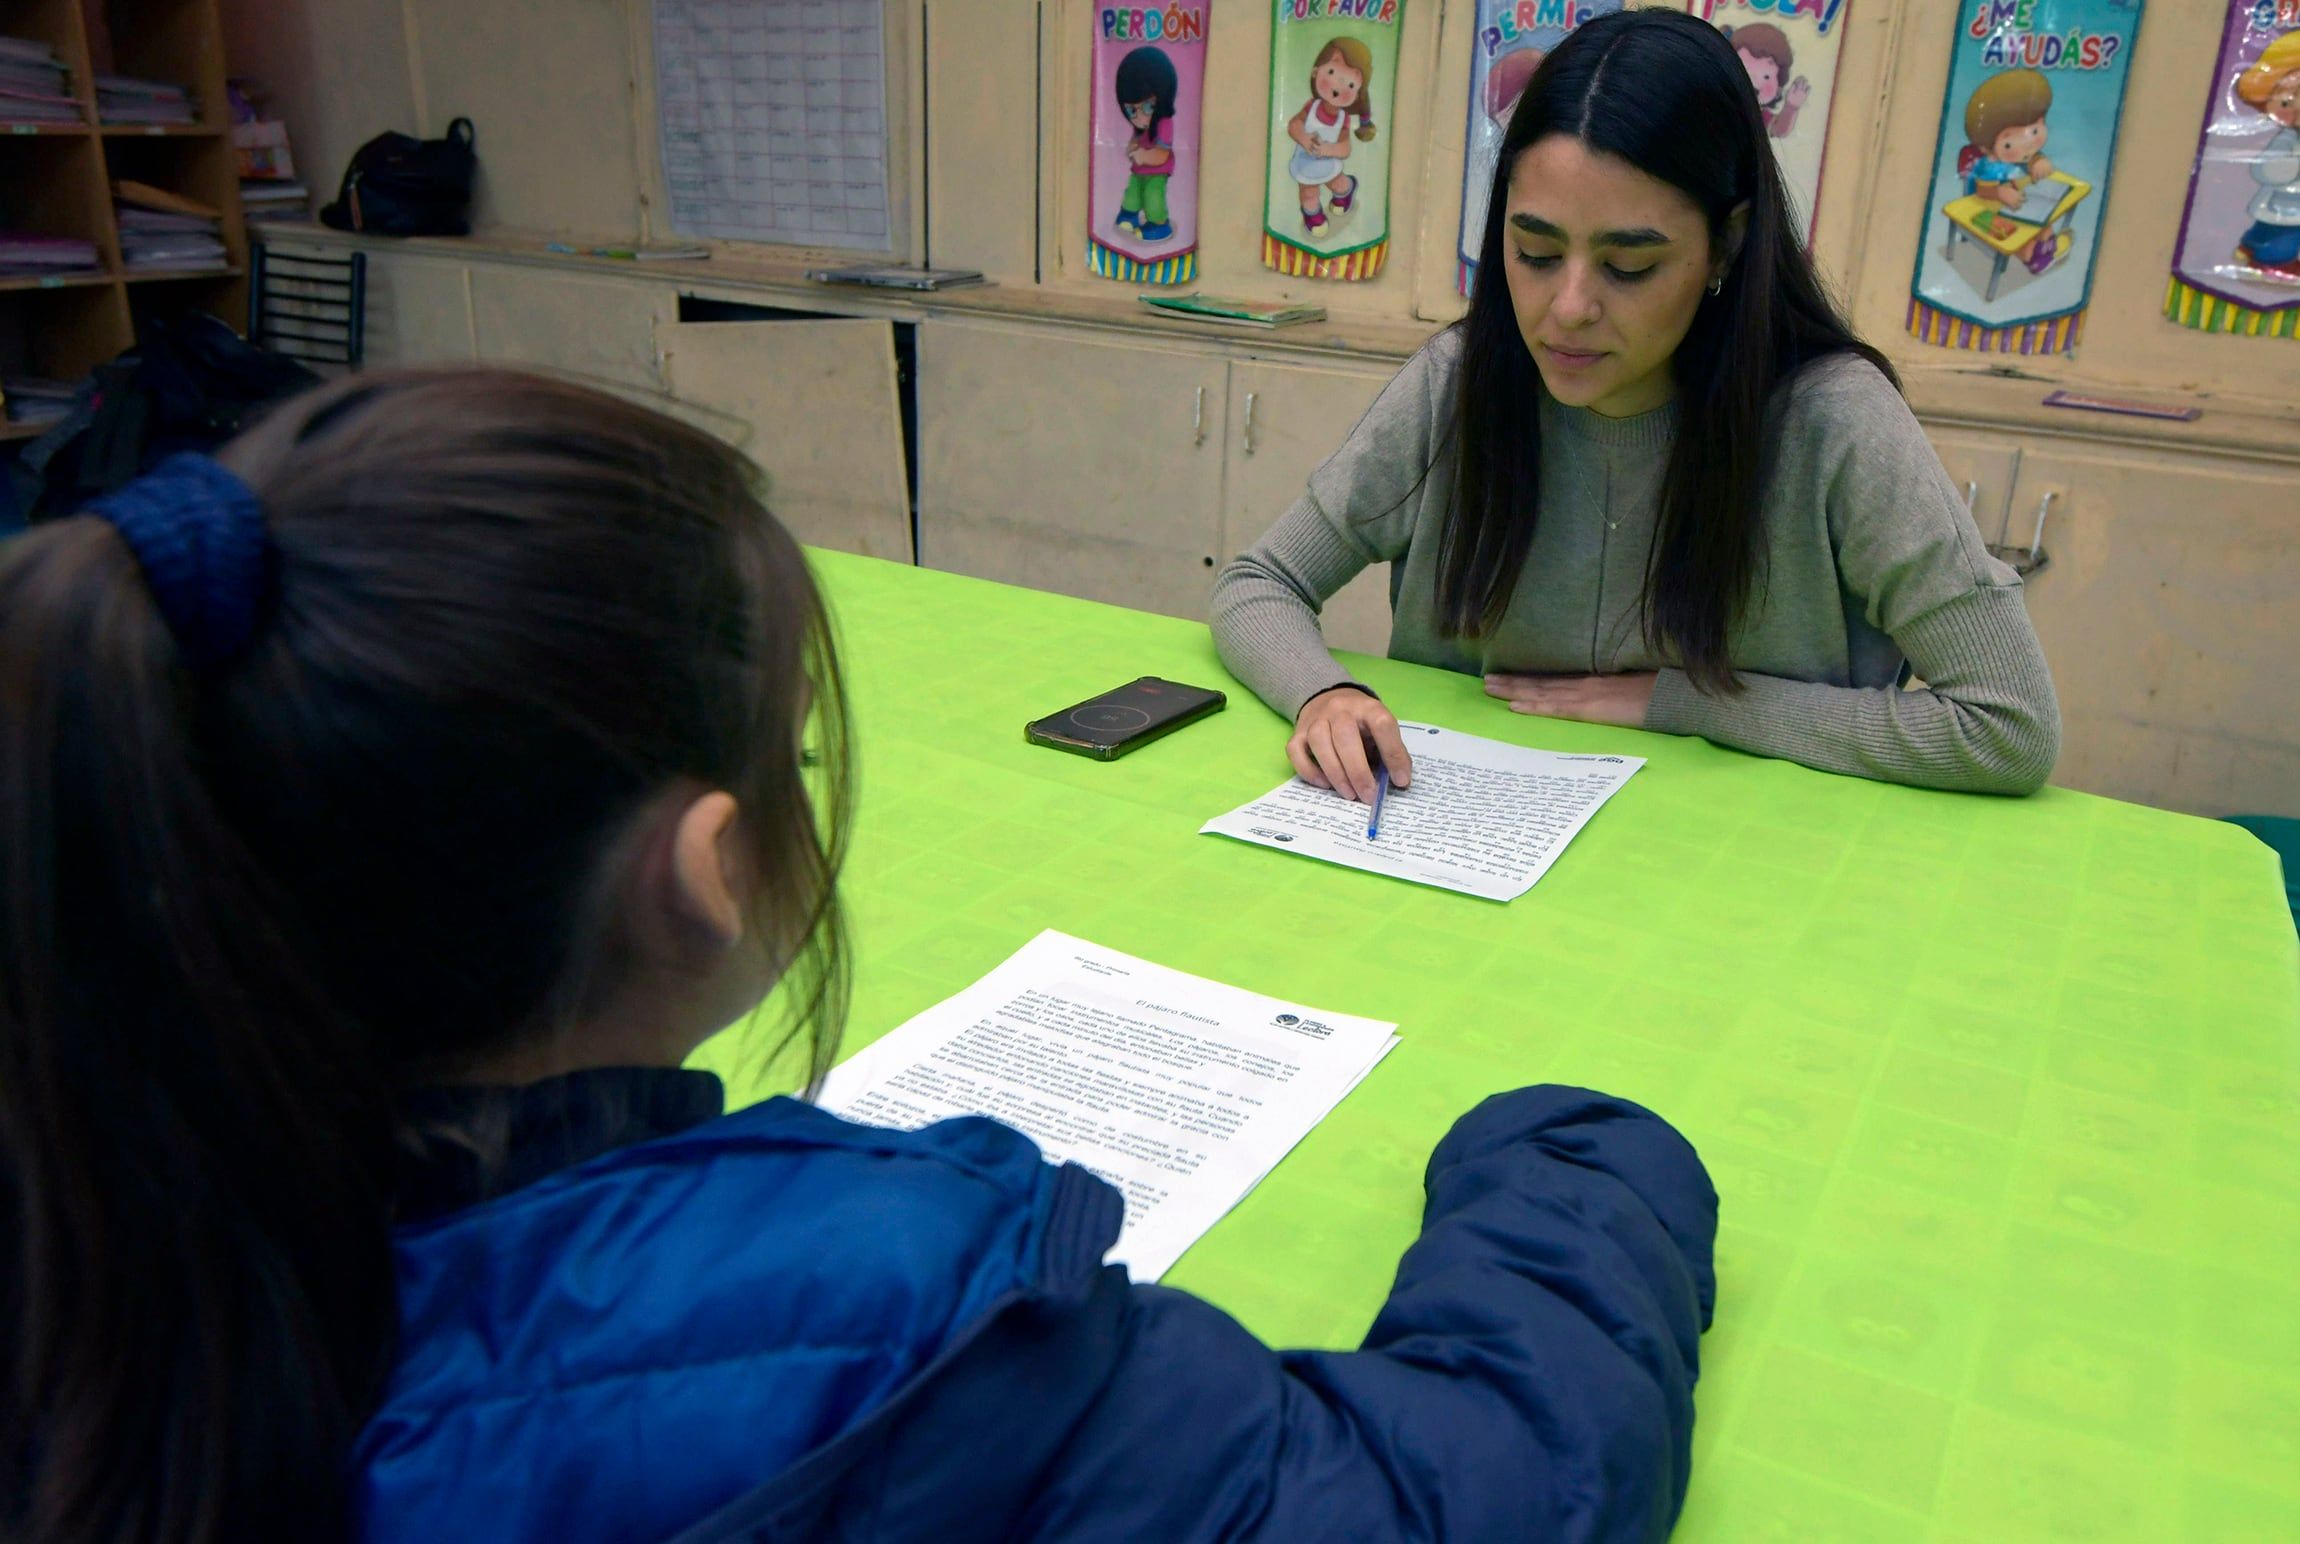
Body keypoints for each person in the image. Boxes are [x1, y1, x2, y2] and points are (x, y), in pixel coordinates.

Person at [0, 368, 1718, 1541]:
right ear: (710, 868)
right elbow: (1464, 1495)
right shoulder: (910, 1310)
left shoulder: (98, 1208)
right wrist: (1574, 1154)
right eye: (792, 755)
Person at [1213, 9, 2059, 803]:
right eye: (1535, 252)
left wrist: (1689, 701)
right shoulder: (1460, 381)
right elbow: (1259, 582)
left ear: (1725, 244)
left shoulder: (1832, 420)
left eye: (1629, 267)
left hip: (1742, 869)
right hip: (1467, 837)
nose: (1568, 307)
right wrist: (1323, 693)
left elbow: (2007, 728)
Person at [1285, 37, 1378, 238]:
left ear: (1357, 94)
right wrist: (1304, 138)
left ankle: (1347, 190)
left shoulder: (1342, 118)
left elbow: (1345, 148)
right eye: (1332, 72)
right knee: (1308, 193)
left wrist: (1327, 149)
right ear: (1316, 70)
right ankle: (1312, 214)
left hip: (1328, 163)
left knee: (1338, 184)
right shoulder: (1311, 107)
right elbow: (1293, 125)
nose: (1338, 86)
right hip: (1305, 162)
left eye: (1351, 84)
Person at [2234, 30, 2300, 280]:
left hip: (2286, 202)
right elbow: (2264, 168)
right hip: (2288, 202)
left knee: (2269, 226)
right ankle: (2275, 260)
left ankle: (2251, 244)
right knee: (2287, 231)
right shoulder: (2287, 140)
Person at [1113, 45, 1179, 244]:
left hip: (1157, 172)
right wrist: (1132, 149)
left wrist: (1143, 156)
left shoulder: (1164, 123)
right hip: (1139, 170)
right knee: (1132, 191)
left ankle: (1159, 224)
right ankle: (1129, 214)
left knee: (1152, 195)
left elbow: (1162, 154)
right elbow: (1135, 141)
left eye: (1148, 107)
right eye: (1132, 111)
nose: (1140, 117)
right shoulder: (1141, 126)